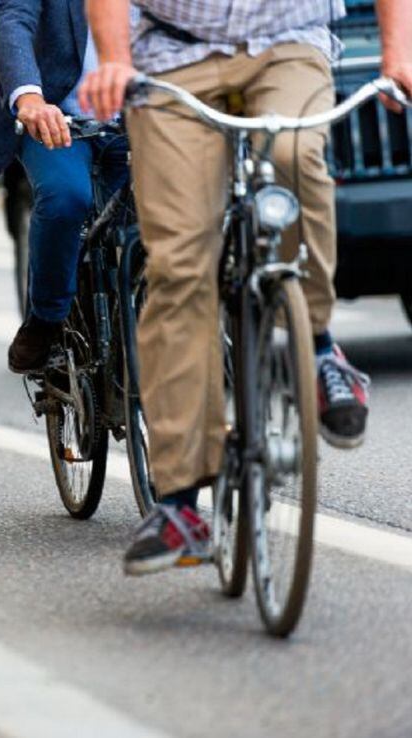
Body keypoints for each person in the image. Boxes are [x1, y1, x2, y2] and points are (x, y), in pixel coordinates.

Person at [78, 0, 412, 575]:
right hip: (173, 53)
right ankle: (180, 504)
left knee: (292, 157)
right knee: (180, 269)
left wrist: (398, 56)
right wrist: (113, 60)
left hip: (288, 45)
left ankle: (319, 347)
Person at [0, 0, 128, 377]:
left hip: (138, 122)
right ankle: (46, 319)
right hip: (55, 121)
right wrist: (29, 97)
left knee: (156, 221)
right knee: (66, 198)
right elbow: (11, 18)